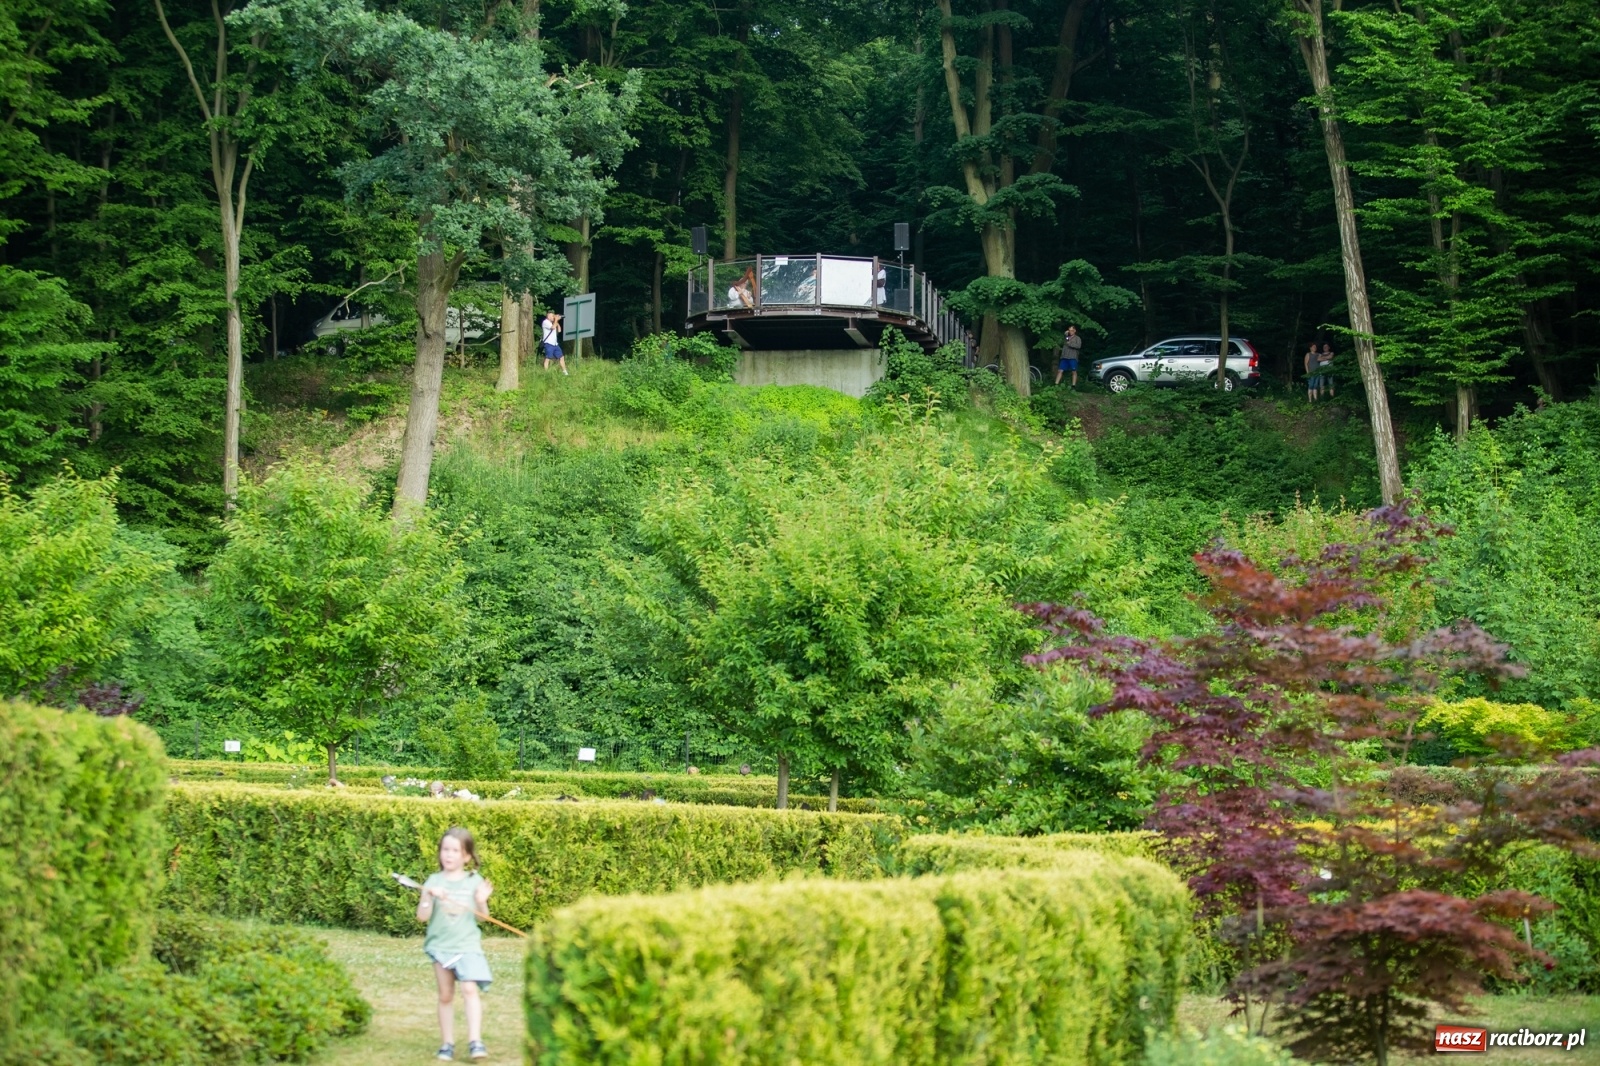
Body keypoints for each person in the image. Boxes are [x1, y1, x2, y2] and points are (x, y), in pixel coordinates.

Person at [418, 827, 494, 1062]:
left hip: (467, 945)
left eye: (454, 851)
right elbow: (422, 917)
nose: (448, 855)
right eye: (444, 850)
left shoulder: (474, 881)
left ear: (467, 856)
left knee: (469, 989)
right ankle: (447, 1043)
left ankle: (475, 1041)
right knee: (446, 995)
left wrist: (481, 902)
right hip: (441, 946)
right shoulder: (433, 881)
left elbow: (483, 918)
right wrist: (428, 897)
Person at [541, 310, 566, 375]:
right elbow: (552, 328)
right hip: (549, 343)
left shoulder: (553, 322)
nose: (553, 317)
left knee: (561, 357)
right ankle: (546, 373)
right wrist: (556, 320)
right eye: (552, 316)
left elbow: (559, 330)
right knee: (548, 358)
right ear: (548, 316)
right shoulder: (545, 322)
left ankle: (565, 372)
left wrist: (556, 321)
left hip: (555, 344)